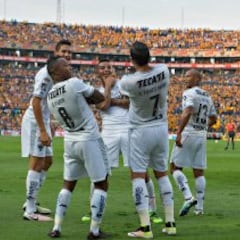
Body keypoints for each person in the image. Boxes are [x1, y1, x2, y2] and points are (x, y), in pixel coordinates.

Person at [80, 59, 162, 224]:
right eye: (102, 68)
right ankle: (93, 208)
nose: (106, 70)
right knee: (100, 172)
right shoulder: (95, 91)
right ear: (97, 71)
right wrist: (109, 89)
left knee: (141, 171)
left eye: (108, 67)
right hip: (108, 134)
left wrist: (112, 100)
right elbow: (103, 106)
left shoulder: (124, 85)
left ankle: (152, 210)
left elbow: (131, 104)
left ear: (113, 69)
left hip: (128, 130)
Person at [45, 56, 110, 239]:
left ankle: (56, 227)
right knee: (101, 183)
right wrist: (88, 97)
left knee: (68, 184)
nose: (69, 66)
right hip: (89, 138)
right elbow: (99, 97)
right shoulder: (73, 83)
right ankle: (94, 231)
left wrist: (83, 99)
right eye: (65, 65)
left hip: (70, 141)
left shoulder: (50, 96)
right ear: (55, 72)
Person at [120, 41, 175, 238]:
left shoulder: (129, 82)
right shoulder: (164, 70)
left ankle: (145, 228)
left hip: (140, 131)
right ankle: (170, 224)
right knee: (161, 174)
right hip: (161, 127)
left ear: (132, 59)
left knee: (137, 177)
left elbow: (121, 94)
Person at [20, 39, 72, 220]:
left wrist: (49, 123)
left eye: (69, 53)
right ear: (55, 52)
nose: (67, 55)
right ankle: (30, 209)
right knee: (36, 163)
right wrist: (42, 130)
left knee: (48, 161)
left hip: (43, 121)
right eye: (63, 51)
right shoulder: (45, 74)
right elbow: (35, 102)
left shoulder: (59, 74)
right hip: (35, 122)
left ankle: (31, 202)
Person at [169, 70, 217, 217]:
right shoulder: (207, 96)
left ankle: (188, 197)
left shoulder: (189, 93)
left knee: (174, 167)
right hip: (201, 135)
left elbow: (188, 111)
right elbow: (214, 119)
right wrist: (202, 127)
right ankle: (200, 208)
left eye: (188, 76)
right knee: (198, 171)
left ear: (197, 78)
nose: (185, 79)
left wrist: (179, 133)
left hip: (188, 133)